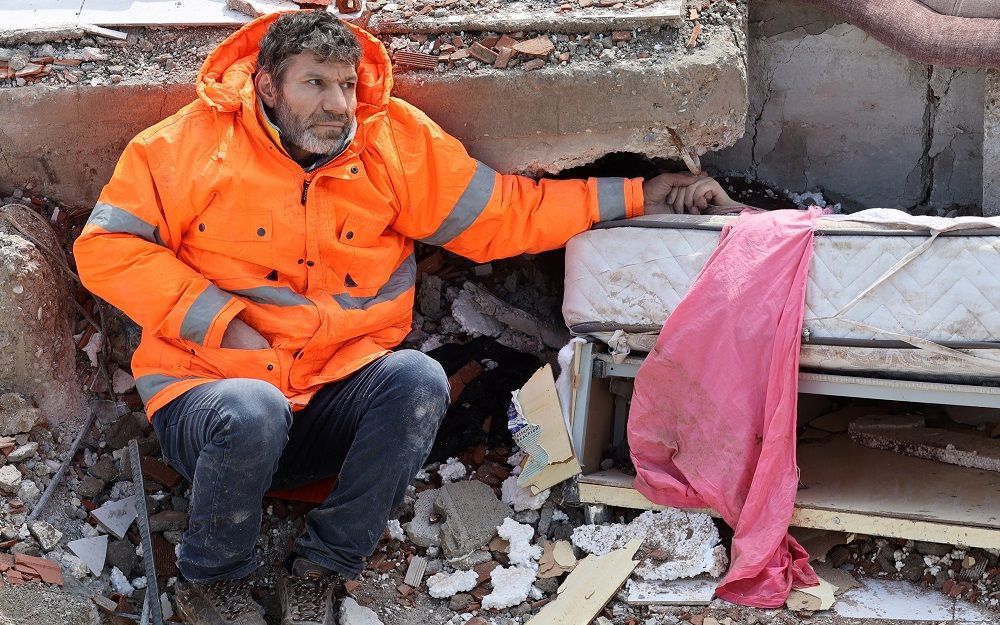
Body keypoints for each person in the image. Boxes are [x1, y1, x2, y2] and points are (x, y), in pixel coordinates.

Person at [74, 10, 740, 625]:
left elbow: (503, 215)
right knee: (253, 407)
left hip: (328, 404)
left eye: (345, 85)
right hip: (217, 413)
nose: (337, 105)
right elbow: (105, 249)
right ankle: (210, 580)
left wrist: (636, 193)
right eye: (313, 84)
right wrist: (216, 318)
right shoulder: (185, 144)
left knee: (419, 380)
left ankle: (320, 570)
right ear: (267, 88)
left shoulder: (392, 143)